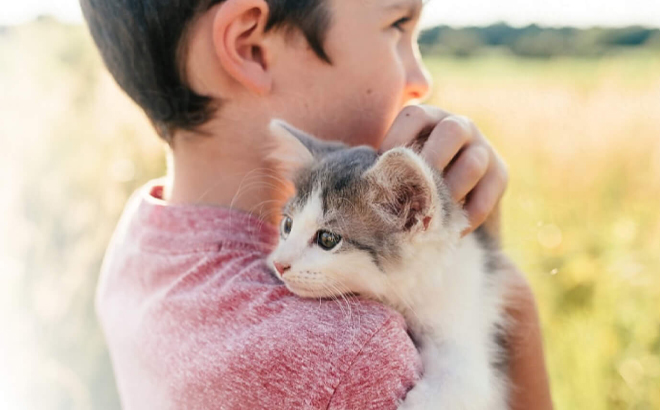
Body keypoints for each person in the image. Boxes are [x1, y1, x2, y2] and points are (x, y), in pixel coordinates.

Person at [81, 0, 553, 408]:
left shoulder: (141, 235)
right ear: (251, 46)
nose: (420, 80)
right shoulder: (351, 359)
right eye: (397, 26)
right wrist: (507, 291)